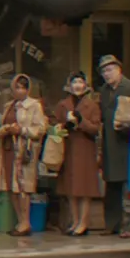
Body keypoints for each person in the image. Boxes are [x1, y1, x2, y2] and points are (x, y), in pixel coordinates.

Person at [0, 74, 48, 236]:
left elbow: (40, 129)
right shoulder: (9, 105)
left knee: (23, 188)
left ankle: (25, 222)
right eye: (17, 87)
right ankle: (19, 221)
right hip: (7, 150)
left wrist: (21, 130)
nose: (20, 90)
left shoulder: (34, 105)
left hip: (23, 151)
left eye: (23, 87)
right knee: (10, 187)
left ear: (28, 89)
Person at [96, 54, 130, 238]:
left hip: (126, 143)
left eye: (109, 70)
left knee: (127, 186)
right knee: (111, 187)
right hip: (109, 143)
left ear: (119, 69)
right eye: (103, 71)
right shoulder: (103, 90)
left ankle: (129, 227)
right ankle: (112, 224)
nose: (107, 74)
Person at [53, 72, 104, 236]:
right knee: (71, 189)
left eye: (80, 82)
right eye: (74, 82)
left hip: (85, 149)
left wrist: (80, 121)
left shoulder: (92, 105)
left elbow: (96, 129)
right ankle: (74, 221)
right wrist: (63, 125)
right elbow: (54, 125)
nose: (77, 85)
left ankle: (84, 222)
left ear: (86, 85)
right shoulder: (63, 104)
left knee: (85, 189)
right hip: (68, 149)